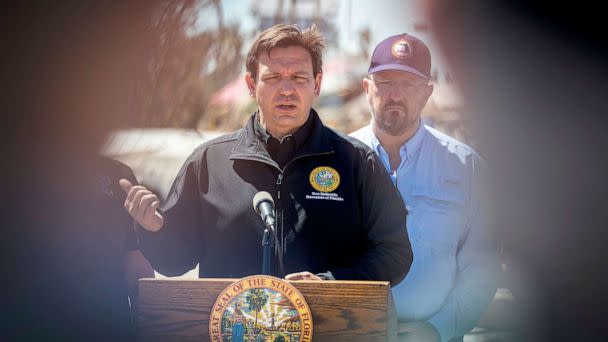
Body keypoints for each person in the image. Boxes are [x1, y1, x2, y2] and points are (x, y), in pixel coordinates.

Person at [120, 24, 412, 285]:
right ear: (251, 85)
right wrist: (154, 229)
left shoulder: (358, 163)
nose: (286, 90)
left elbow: (395, 254)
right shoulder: (208, 163)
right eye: (272, 78)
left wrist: (330, 282)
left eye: (298, 77)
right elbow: (174, 262)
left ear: (317, 84)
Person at [350, 33, 500, 342]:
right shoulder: (338, 160)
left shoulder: (468, 168)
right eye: (386, 83)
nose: (395, 95)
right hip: (350, 334)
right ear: (367, 89)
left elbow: (481, 268)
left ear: (427, 93)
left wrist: (438, 330)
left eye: (408, 84)